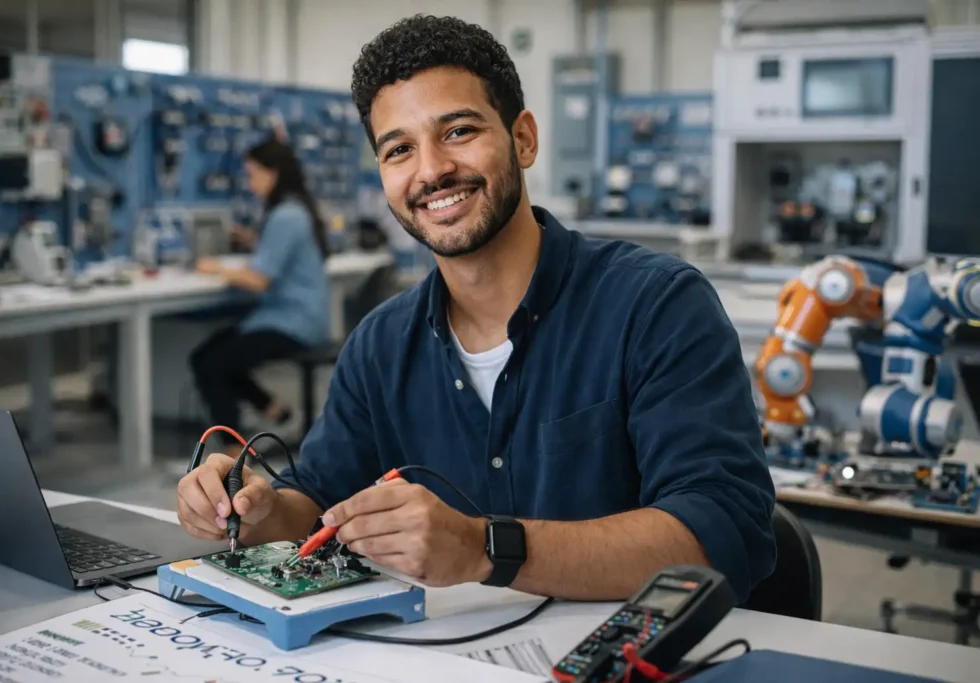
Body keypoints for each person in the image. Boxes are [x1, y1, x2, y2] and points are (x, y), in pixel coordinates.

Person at [178, 15, 776, 602]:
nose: (432, 170)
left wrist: (483, 548)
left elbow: (722, 532)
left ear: (523, 139)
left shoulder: (656, 307)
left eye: (459, 131)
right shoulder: (380, 345)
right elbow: (313, 501)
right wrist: (252, 508)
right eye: (399, 150)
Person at [190, 138, 331, 454]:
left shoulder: (285, 216)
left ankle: (233, 452)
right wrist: (254, 239)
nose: (251, 183)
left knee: (213, 364)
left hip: (293, 323)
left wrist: (214, 268)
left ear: (274, 173)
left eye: (254, 175)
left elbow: (258, 280)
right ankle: (272, 408)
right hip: (298, 317)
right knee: (207, 357)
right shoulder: (295, 210)